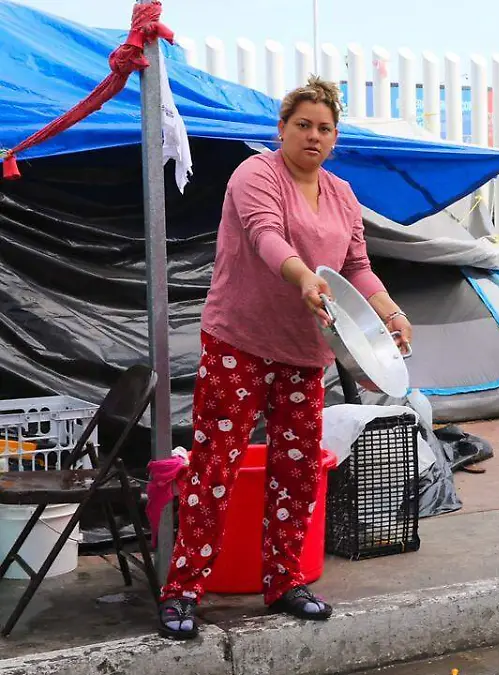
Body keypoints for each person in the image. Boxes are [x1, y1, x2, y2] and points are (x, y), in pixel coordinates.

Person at [156, 76, 414, 640]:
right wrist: (301, 276)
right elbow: (265, 235)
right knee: (214, 467)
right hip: (239, 343)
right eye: (303, 125)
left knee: (297, 471)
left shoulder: (343, 194)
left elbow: (356, 266)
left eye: (324, 128)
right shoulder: (257, 174)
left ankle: (284, 581)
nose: (313, 136)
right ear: (282, 128)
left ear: (335, 136)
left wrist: (391, 313)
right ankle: (183, 591)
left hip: (303, 354)